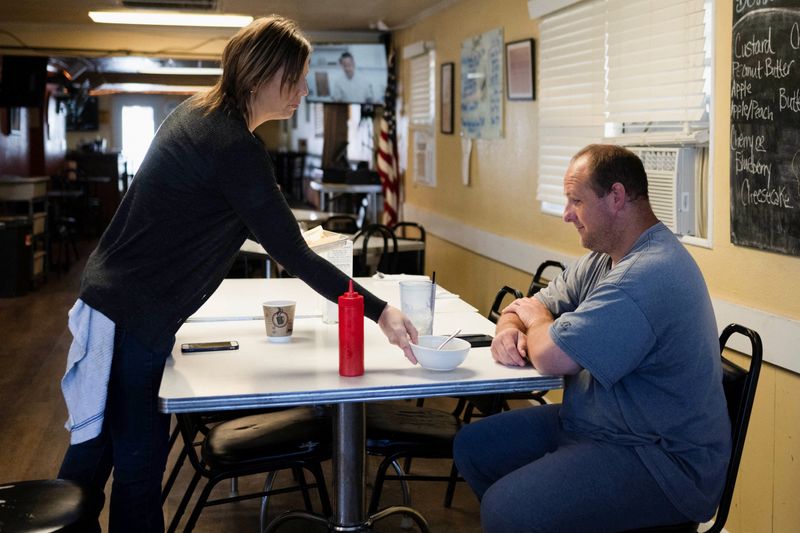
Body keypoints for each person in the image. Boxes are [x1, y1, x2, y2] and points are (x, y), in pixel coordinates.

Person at [56, 16, 419, 532]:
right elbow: (294, 254)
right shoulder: (231, 145)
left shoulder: (201, 114)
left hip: (118, 300)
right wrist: (378, 312)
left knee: (100, 453)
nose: (303, 90)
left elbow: (210, 218)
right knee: (134, 463)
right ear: (260, 75)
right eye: (294, 78)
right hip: (131, 311)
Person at [453, 144, 731, 532]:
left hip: (659, 460)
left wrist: (533, 322)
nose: (567, 214)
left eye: (576, 201)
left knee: (506, 509)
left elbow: (551, 358)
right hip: (594, 425)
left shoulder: (650, 274)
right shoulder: (605, 257)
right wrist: (510, 326)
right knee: (474, 448)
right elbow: (530, 304)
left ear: (616, 197)